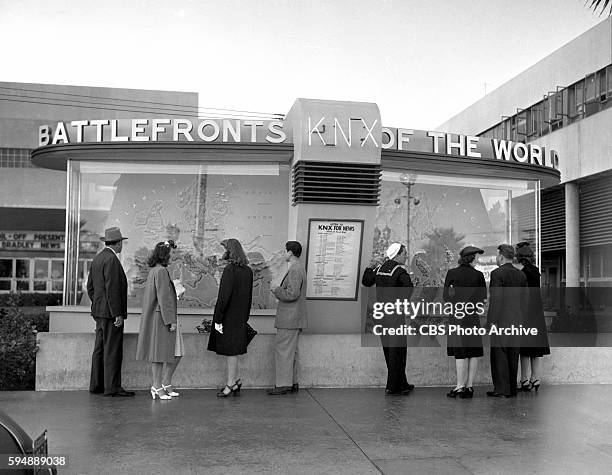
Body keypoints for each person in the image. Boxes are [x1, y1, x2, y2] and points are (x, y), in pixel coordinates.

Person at [87, 227, 134, 397]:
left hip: (99, 313)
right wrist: (117, 314)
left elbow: (90, 288)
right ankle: (112, 387)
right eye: (122, 242)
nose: (123, 245)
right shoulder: (112, 260)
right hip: (110, 314)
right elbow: (112, 289)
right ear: (119, 243)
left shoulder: (98, 259)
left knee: (99, 348)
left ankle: (97, 385)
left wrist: (98, 304)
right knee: (112, 350)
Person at [362, 243, 414, 395]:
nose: (406, 256)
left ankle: (402, 383)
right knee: (398, 351)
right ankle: (392, 386)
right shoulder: (399, 271)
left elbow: (367, 281)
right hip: (395, 317)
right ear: (397, 254)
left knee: (389, 350)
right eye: (404, 253)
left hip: (381, 316)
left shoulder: (380, 268)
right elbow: (408, 289)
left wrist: (369, 267)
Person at [136, 240, 184, 400]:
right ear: (165, 255)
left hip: (159, 316)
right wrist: (170, 320)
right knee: (159, 354)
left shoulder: (155, 271)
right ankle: (157, 386)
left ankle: (162, 385)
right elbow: (164, 298)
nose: (173, 257)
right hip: (162, 318)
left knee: (165, 353)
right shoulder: (161, 271)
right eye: (171, 254)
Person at [207, 239, 253, 397]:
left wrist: (218, 319)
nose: (223, 252)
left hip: (228, 318)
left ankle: (230, 384)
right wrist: (244, 318)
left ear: (230, 251)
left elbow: (223, 298)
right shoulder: (248, 271)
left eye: (225, 249)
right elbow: (249, 299)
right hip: (240, 318)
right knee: (233, 351)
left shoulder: (229, 270)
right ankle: (236, 380)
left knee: (231, 352)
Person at [443, 246, 487, 399]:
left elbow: (446, 297)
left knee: (461, 352)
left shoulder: (452, 273)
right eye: (476, 257)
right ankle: (469, 387)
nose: (478, 260)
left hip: (457, 316)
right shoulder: (479, 275)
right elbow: (482, 298)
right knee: (473, 351)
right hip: (472, 316)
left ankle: (460, 386)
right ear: (471, 258)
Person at [486, 244, 528, 398]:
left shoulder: (497, 274)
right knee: (513, 354)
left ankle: (501, 389)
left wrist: (491, 321)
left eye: (498, 255)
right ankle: (511, 388)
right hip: (516, 320)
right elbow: (525, 300)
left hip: (501, 321)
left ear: (502, 256)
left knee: (499, 355)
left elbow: (496, 299)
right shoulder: (521, 275)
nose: (497, 258)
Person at [267, 241, 308, 396]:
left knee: (283, 351)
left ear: (290, 253)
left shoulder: (295, 269)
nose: (283, 253)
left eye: (285, 251)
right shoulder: (299, 268)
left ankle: (283, 384)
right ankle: (292, 382)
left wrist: (276, 289)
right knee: (292, 351)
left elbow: (292, 294)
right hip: (295, 317)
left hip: (289, 318)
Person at [515, 242, 550, 392]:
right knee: (536, 349)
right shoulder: (535, 271)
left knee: (524, 348)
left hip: (526, 313)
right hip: (537, 313)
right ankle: (536, 378)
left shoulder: (521, 272)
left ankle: (524, 380)